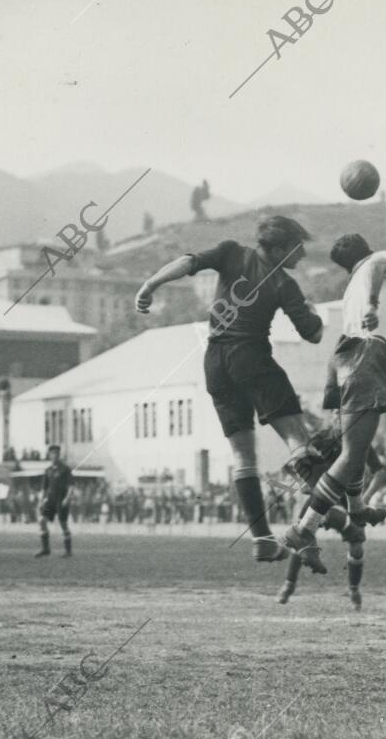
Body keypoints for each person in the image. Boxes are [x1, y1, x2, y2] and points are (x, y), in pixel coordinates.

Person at [135, 215, 324, 563]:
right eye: (297, 248)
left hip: (215, 363)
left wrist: (150, 284)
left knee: (242, 455)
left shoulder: (231, 253)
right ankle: (325, 511)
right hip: (252, 357)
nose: (302, 255)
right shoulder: (284, 284)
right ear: (278, 249)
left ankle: (262, 540)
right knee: (298, 439)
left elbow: (188, 262)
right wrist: (312, 312)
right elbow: (313, 334)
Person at [282, 234, 386, 568]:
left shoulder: (353, 285)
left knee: (356, 447)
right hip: (365, 358)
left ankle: (357, 508)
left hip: (344, 358)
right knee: (352, 454)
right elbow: (379, 265)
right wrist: (373, 306)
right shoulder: (380, 259)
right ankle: (304, 528)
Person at [276, 417, 386, 611]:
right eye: (338, 415)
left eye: (345, 416)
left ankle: (354, 590)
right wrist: (306, 483)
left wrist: (365, 497)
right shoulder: (320, 439)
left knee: (357, 543)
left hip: (347, 501)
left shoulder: (359, 441)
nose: (342, 420)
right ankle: (289, 585)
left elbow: (380, 471)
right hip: (320, 499)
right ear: (333, 417)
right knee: (301, 536)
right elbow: (291, 464)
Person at [36, 444, 73, 558]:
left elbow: (71, 486)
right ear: (49, 455)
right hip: (50, 500)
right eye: (52, 454)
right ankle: (45, 549)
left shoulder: (65, 469)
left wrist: (67, 498)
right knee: (42, 520)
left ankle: (68, 551)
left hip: (61, 500)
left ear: (59, 455)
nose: (54, 456)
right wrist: (41, 501)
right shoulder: (48, 470)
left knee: (63, 524)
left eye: (56, 454)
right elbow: (44, 488)